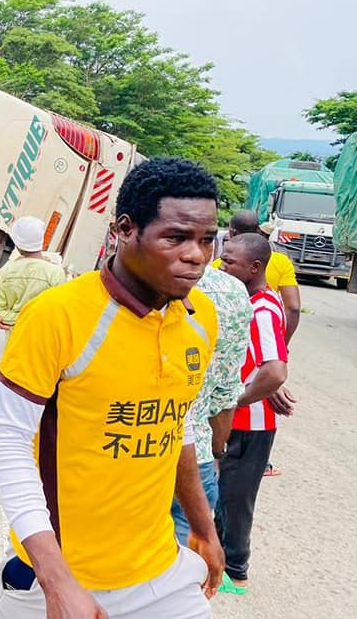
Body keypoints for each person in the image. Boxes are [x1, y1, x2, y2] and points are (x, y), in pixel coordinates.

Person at [0, 157, 224, 618]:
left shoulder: (200, 319)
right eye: (176, 237)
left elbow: (178, 423)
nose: (196, 255)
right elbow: (8, 440)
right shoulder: (57, 316)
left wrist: (204, 528)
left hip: (162, 574)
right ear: (124, 229)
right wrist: (57, 583)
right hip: (60, 582)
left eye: (206, 240)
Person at [215, 233, 291, 591]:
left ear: (254, 267)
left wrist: (234, 401)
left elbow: (274, 370)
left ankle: (235, 569)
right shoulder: (255, 300)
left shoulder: (260, 309)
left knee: (236, 496)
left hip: (249, 424)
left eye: (230, 261)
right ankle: (215, 559)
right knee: (224, 491)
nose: (222, 265)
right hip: (245, 420)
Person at [170, 266, 252, 545]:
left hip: (131, 454)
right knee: (182, 568)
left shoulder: (132, 280)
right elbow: (225, 396)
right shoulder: (232, 291)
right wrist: (217, 449)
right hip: (199, 456)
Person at [217, 210, 301, 345]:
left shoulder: (219, 265)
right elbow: (293, 308)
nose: (223, 266)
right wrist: (281, 345)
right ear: (258, 229)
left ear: (232, 232)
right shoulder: (281, 262)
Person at [0, 215, 67, 330]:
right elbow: (57, 316)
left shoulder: (7, 271)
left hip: (14, 340)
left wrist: (15, 319)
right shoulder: (56, 273)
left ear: (17, 243)